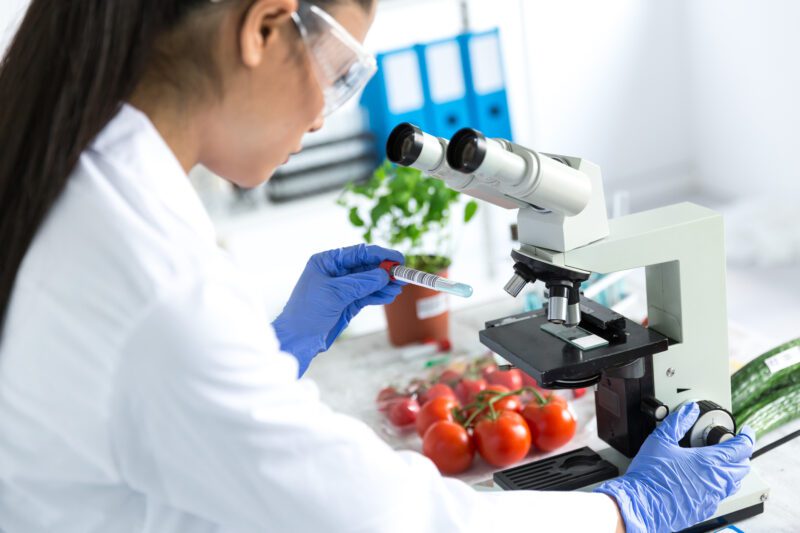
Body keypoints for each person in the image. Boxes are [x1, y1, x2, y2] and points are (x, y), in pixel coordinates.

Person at [0, 1, 754, 532]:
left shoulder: (71, 169)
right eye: (339, 74)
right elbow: (385, 519)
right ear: (264, 27)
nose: (325, 116)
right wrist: (627, 511)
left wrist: (272, 352)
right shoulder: (157, 284)